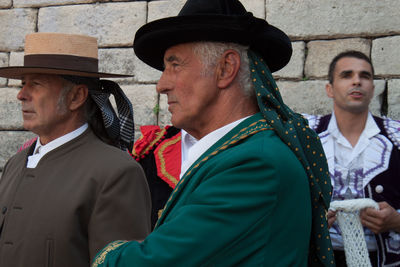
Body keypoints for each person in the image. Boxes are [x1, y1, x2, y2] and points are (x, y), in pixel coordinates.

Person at [92, 0, 334, 266]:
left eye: (175, 65)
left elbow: (152, 262)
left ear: (225, 69)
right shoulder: (243, 151)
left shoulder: (255, 164)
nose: (161, 85)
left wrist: (93, 245)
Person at [0, 32, 152, 267]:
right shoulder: (15, 164)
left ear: (76, 96)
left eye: (36, 84)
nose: (21, 95)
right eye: (23, 84)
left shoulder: (116, 173)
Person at [304, 50, 400, 267]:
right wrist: (308, 221)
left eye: (364, 76)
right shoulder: (306, 135)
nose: (357, 81)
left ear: (373, 89)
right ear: (330, 89)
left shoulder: (396, 136)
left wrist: (397, 221)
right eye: (347, 75)